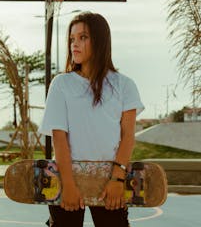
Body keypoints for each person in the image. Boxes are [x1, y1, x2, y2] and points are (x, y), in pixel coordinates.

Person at [39, 12, 144, 227]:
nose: (74, 44)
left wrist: (117, 180)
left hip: (110, 180)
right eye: (72, 38)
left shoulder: (125, 85)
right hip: (67, 178)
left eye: (83, 37)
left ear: (100, 41)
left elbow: (128, 137)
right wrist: (68, 185)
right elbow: (59, 138)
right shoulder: (61, 84)